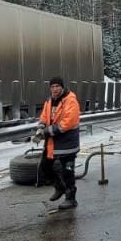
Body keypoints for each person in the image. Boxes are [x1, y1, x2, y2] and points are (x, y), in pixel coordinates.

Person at [36, 76, 81, 209]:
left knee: (67, 171)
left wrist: (48, 130)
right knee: (45, 166)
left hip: (67, 143)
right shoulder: (49, 101)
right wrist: (40, 127)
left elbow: (67, 122)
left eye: (57, 86)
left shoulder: (70, 101)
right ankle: (59, 187)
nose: (55, 89)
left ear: (62, 87)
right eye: (52, 87)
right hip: (53, 142)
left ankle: (71, 198)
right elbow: (44, 116)